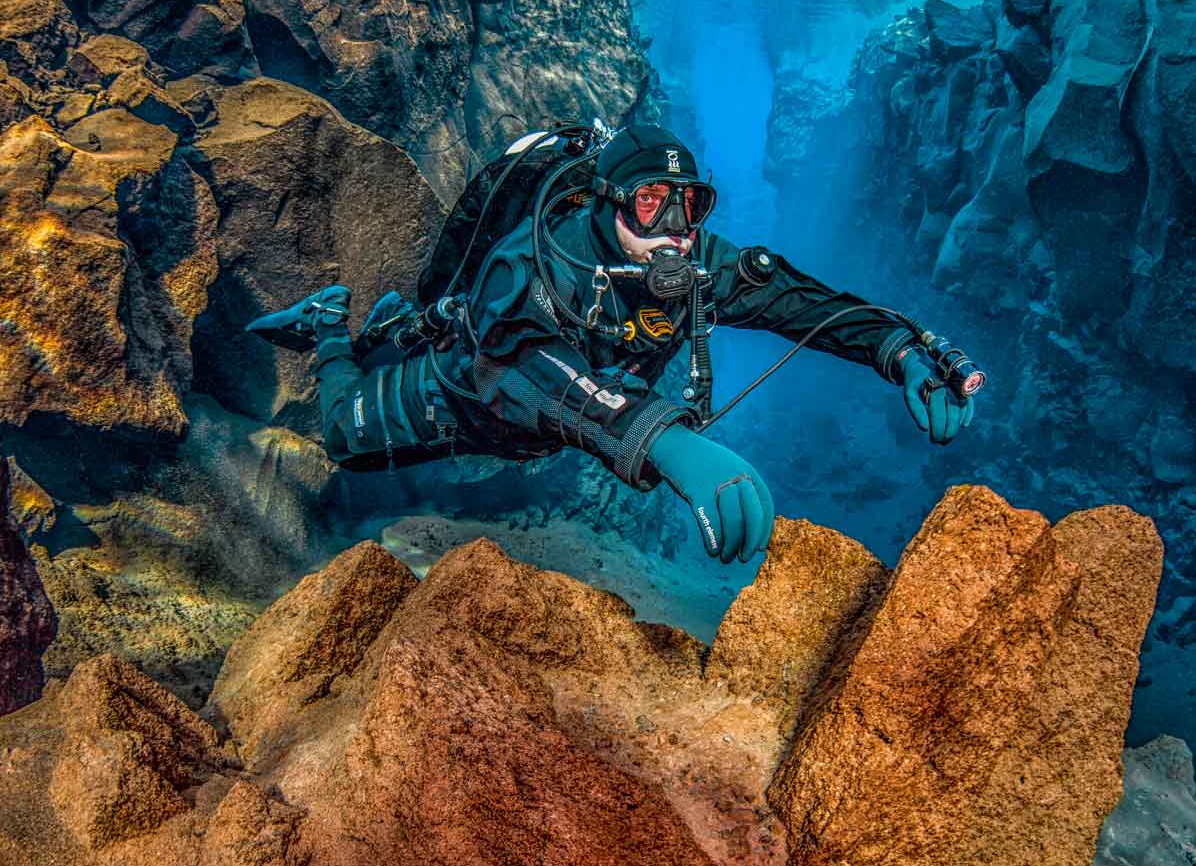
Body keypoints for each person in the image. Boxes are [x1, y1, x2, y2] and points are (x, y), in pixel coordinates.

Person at [247, 124, 976, 564]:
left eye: (690, 205)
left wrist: (899, 349)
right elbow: (531, 371)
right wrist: (664, 439)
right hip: (464, 400)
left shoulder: (695, 265)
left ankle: (387, 322)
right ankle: (327, 326)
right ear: (607, 204)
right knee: (343, 436)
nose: (675, 229)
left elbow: (798, 303)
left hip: (544, 436)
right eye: (653, 203)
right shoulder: (528, 265)